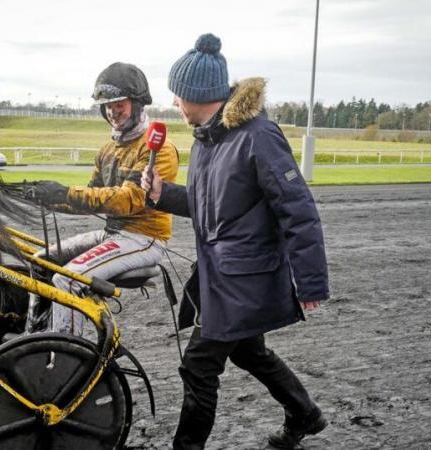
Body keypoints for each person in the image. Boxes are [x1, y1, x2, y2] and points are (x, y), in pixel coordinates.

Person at [141, 34, 329, 449]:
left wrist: (311, 283)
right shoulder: (209, 138)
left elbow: (299, 210)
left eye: (177, 94)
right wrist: (162, 193)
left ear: (196, 96)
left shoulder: (258, 136)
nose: (174, 103)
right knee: (247, 351)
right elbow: (213, 206)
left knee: (198, 364)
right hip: (219, 275)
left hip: (243, 279)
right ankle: (306, 414)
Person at [26, 62, 179, 335]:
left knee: (67, 280)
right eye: (107, 105)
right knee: (40, 260)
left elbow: (127, 200)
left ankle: (67, 355)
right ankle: (36, 336)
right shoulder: (108, 149)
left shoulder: (159, 150)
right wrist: (46, 197)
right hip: (112, 234)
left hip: (144, 238)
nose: (112, 111)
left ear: (137, 103)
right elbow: (90, 195)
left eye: (119, 103)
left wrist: (65, 192)